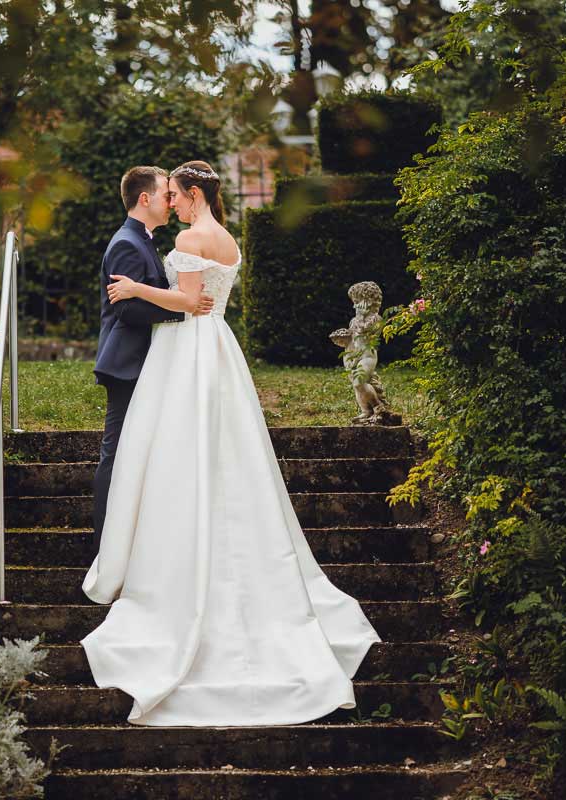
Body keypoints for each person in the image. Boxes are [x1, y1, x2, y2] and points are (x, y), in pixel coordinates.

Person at [81, 160, 382, 727]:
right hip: (217, 346)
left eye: (174, 193)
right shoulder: (229, 238)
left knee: (184, 447)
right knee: (224, 451)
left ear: (192, 194)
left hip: (191, 344)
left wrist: (137, 287)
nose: (169, 201)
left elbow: (189, 302)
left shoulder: (194, 237)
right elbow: (206, 301)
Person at [91, 166, 214, 552]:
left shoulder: (141, 240)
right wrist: (184, 310)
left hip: (148, 361)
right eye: (165, 192)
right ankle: (104, 549)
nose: (170, 198)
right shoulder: (127, 243)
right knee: (117, 455)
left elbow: (143, 296)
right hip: (127, 363)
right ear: (145, 198)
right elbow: (127, 311)